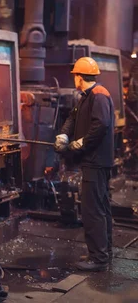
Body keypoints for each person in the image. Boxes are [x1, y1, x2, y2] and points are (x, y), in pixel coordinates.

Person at [54, 57, 114, 272]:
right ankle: (104, 251)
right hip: (95, 162)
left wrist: (81, 143)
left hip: (96, 162)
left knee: (92, 210)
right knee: (102, 207)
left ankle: (98, 258)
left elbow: (102, 124)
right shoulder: (86, 97)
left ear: (80, 77)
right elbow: (72, 117)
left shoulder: (98, 95)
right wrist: (63, 135)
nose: (74, 79)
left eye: (75, 76)